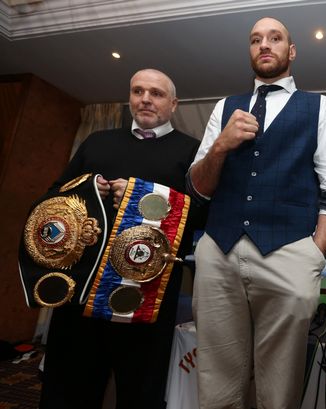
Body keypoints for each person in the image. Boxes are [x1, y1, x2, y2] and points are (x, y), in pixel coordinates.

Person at [187, 17, 326, 409]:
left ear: (291, 51)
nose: (265, 44)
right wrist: (221, 146)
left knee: (279, 382)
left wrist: (315, 253)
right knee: (216, 374)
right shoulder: (224, 108)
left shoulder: (319, 107)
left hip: (290, 253)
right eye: (255, 39)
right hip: (219, 252)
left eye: (275, 38)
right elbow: (197, 187)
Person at [39, 68, 204, 409]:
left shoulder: (193, 153)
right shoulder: (97, 141)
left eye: (156, 93)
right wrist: (85, 190)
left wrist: (140, 196)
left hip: (146, 300)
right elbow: (53, 197)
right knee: (68, 389)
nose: (145, 99)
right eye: (138, 91)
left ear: (173, 104)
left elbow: (201, 218)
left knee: (139, 394)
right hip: (81, 293)